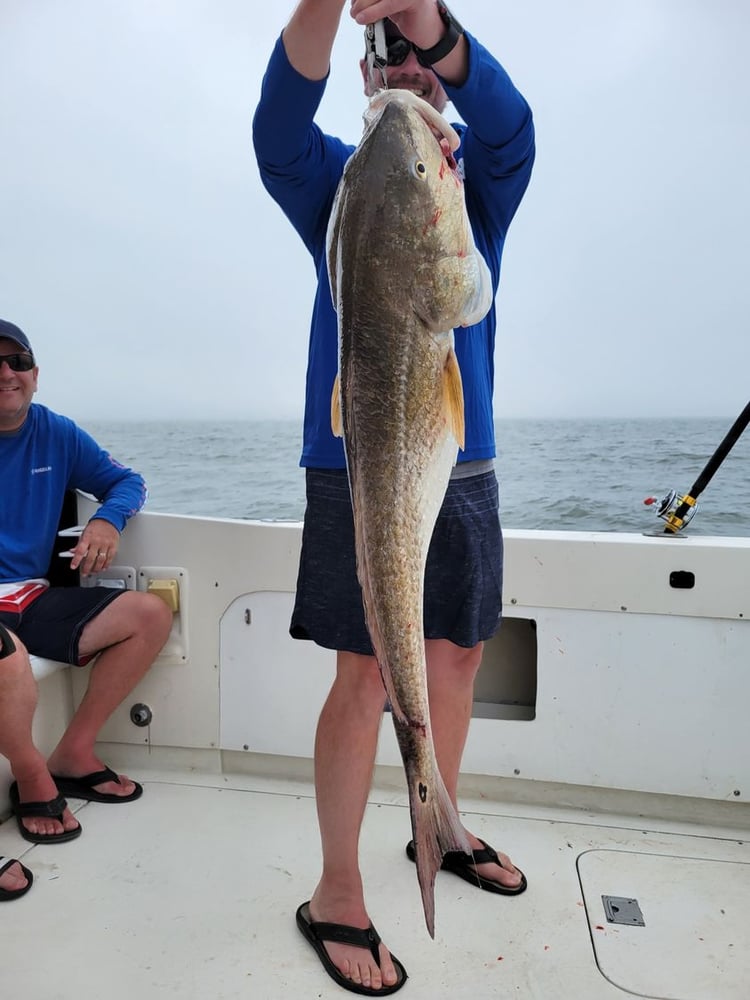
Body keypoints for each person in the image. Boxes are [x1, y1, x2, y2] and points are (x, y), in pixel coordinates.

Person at [253, 1, 535, 993]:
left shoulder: (473, 182)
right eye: (394, 57)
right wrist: (329, 3)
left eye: (428, 60)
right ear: (367, 79)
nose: (409, 68)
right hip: (357, 462)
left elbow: (511, 128)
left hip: (466, 462)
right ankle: (337, 893)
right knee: (366, 675)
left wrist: (432, 22)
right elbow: (276, 136)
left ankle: (439, 820)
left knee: (457, 652)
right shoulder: (345, 182)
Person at [0, 318, 173, 898]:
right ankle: (31, 777)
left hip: (32, 595)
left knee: (149, 615)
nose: (6, 372)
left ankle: (73, 753)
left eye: (17, 361)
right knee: (8, 660)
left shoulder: (56, 433)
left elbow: (127, 482)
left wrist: (106, 517)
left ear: (34, 375)